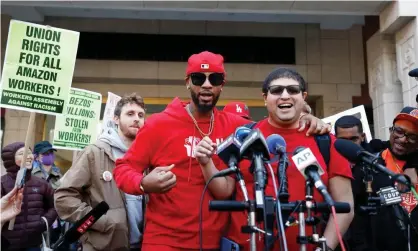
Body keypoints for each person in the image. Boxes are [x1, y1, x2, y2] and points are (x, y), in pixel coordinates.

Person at [113, 51, 329, 251]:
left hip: (218, 243)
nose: (207, 85)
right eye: (199, 78)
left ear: (222, 85)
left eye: (214, 79)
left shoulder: (237, 126)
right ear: (188, 82)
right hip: (165, 241)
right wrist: (143, 183)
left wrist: (306, 117)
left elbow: (276, 123)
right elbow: (123, 168)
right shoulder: (158, 125)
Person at [194, 67, 354, 251]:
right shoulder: (244, 136)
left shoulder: (325, 141)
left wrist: (324, 249)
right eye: (276, 90)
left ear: (303, 97)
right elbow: (224, 191)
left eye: (292, 90)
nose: (284, 96)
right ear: (265, 98)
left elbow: (345, 206)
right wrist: (206, 163)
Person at [54, 93, 146, 251]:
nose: (136, 118)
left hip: (144, 245)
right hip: (104, 245)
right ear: (116, 119)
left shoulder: (148, 155)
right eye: (130, 114)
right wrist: (103, 221)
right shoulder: (94, 153)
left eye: (141, 115)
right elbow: (64, 197)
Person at [364, 106, 418, 251]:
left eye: (413, 136)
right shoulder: (372, 162)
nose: (403, 139)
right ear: (391, 130)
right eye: (399, 131)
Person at [1, 142, 57, 251]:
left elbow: (54, 206)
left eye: (30, 152)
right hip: (7, 244)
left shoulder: (41, 184)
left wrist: (44, 221)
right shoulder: (2, 183)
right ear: (10, 159)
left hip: (33, 244)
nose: (28, 156)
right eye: (22, 153)